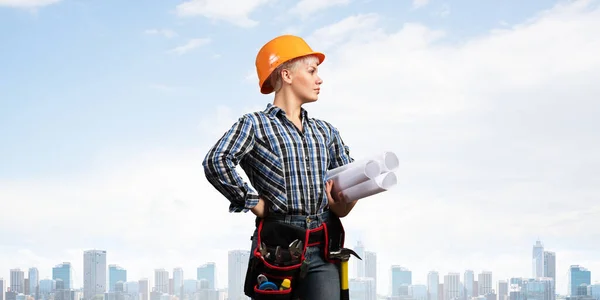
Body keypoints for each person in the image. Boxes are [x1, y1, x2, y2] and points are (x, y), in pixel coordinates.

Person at [202, 34, 358, 300]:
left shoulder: (325, 131)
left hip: (324, 249)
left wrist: (345, 203)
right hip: (277, 249)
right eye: (311, 71)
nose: (319, 79)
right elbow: (217, 161)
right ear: (286, 75)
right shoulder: (255, 125)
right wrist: (253, 202)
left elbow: (348, 182)